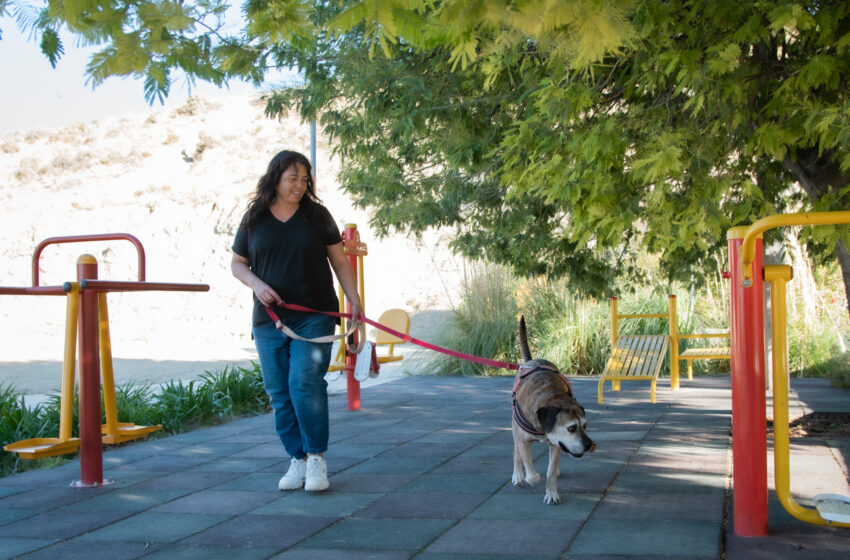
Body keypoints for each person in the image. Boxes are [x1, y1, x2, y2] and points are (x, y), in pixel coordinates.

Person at [231, 150, 362, 492]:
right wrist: (257, 285)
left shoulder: (317, 216)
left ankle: (316, 458)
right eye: (293, 178)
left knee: (305, 381)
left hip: (315, 314)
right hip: (269, 319)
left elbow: (340, 261)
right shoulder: (254, 217)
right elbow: (238, 264)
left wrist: (354, 299)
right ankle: (298, 459)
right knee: (279, 392)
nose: (300, 185)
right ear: (275, 178)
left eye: (305, 179)